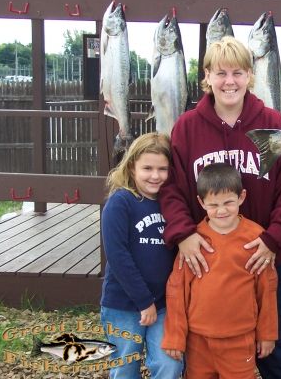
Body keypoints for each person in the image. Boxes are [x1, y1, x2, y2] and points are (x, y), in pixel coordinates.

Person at [158, 36, 281, 379]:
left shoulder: (274, 124)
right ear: (207, 76)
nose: (229, 81)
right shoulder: (187, 127)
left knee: (273, 343)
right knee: (203, 345)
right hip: (207, 256)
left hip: (261, 255)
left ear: (250, 76)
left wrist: (274, 240)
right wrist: (183, 234)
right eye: (221, 73)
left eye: (238, 73)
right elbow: (172, 189)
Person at [161, 163, 278, 378]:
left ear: (241, 197)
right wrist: (175, 337)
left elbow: (267, 290)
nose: (221, 211)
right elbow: (177, 289)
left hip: (240, 339)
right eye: (213, 205)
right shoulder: (192, 242)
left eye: (228, 202)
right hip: (198, 340)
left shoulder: (256, 239)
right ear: (201, 202)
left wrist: (267, 334)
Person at [100, 132, 184, 379]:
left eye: (162, 169)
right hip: (123, 304)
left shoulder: (172, 205)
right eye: (147, 168)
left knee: (169, 365)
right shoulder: (121, 202)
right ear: (132, 167)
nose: (155, 176)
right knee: (125, 367)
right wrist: (144, 301)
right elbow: (118, 256)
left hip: (164, 304)